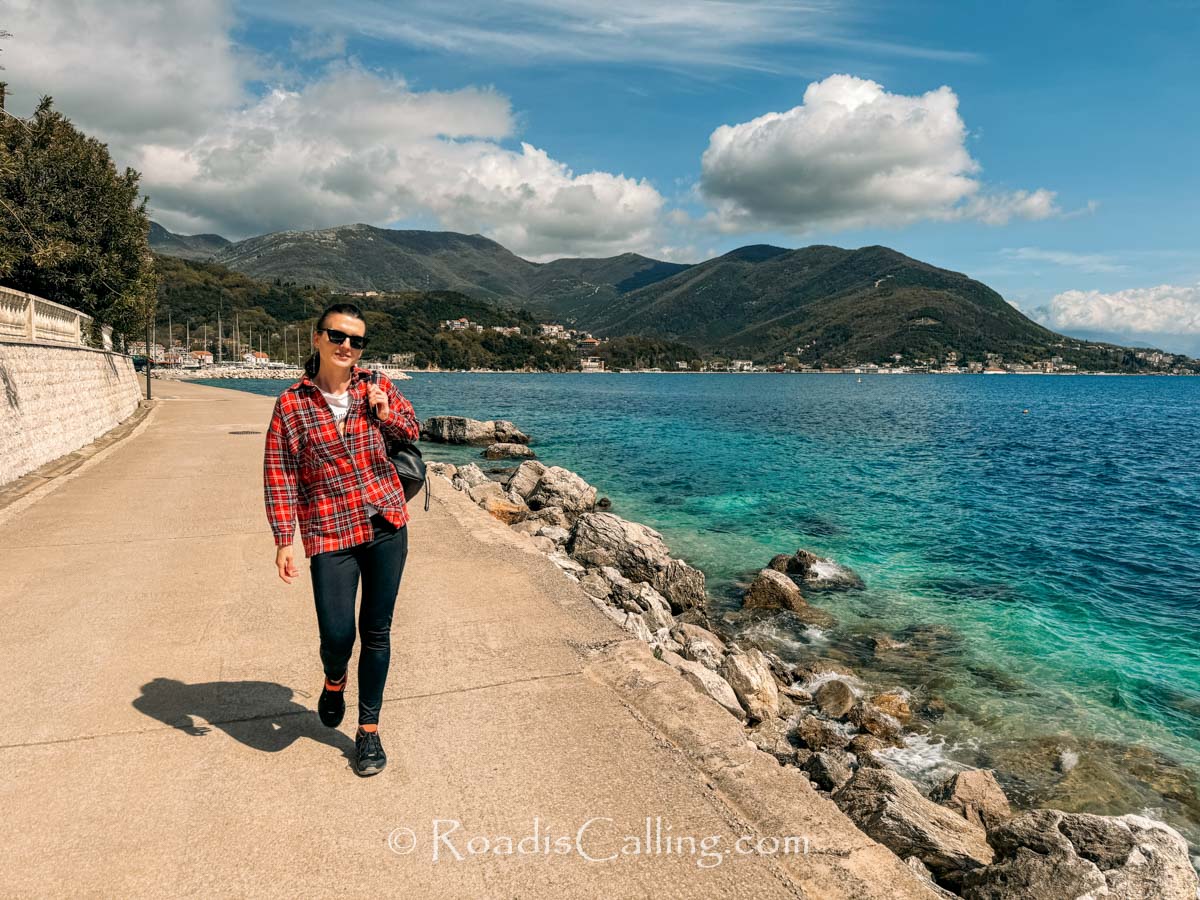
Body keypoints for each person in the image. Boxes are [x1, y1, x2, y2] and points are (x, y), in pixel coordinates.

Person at [262, 302, 420, 776]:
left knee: (377, 631)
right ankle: (335, 679)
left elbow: (413, 431)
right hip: (329, 530)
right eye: (337, 336)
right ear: (317, 339)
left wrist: (386, 413)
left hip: (386, 523)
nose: (347, 346)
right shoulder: (292, 402)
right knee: (336, 635)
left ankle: (368, 731)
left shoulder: (377, 385)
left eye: (356, 340)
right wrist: (282, 537)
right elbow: (280, 470)